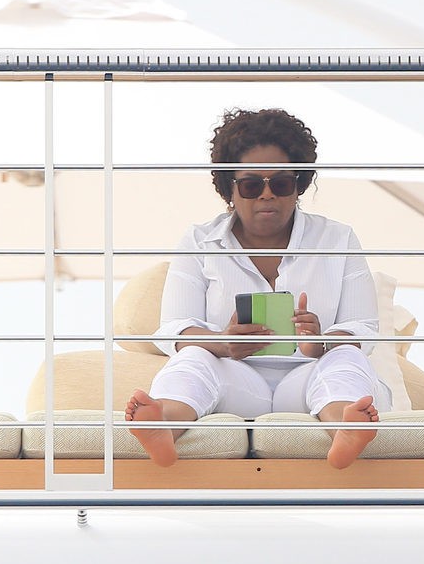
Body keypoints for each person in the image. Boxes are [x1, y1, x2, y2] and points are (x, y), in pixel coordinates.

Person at [126, 108, 392, 469]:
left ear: (298, 186)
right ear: (229, 188)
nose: (267, 195)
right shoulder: (199, 241)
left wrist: (320, 343)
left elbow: (362, 327)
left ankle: (345, 426)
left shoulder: (338, 238)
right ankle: (164, 424)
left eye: (280, 183)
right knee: (194, 357)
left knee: (345, 356)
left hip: (310, 378)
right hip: (234, 382)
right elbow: (175, 328)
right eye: (251, 185)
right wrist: (223, 342)